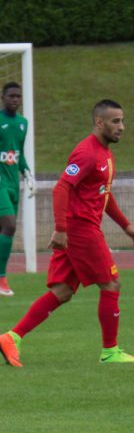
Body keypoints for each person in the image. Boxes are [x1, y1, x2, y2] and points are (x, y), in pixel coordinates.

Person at [0, 99, 134, 367]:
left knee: (63, 290)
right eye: (115, 121)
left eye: (123, 121)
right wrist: (61, 229)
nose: (121, 127)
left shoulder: (105, 153)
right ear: (99, 122)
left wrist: (125, 225)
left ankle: (11, 337)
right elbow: (61, 188)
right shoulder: (86, 153)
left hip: (80, 229)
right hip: (81, 230)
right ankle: (110, 351)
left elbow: (104, 194)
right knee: (112, 284)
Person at [0, 82, 36, 296]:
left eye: (18, 96)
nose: (15, 99)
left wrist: (29, 174)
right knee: (10, 225)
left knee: (4, 230)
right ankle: (1, 279)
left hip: (14, 183)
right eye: (11, 95)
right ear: (3, 97)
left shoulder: (23, 123)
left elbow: (18, 154)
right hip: (0, 183)